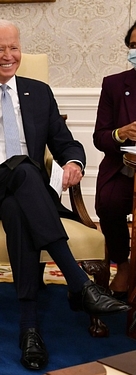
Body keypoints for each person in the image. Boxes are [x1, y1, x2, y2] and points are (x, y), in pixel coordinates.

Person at [0, 19, 130, 371]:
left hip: (24, 196)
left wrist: (74, 162)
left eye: (14, 47)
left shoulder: (39, 92)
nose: (8, 55)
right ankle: (79, 284)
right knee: (23, 167)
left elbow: (67, 143)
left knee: (19, 205)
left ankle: (29, 330)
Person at [93, 21, 136, 301]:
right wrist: (121, 134)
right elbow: (100, 136)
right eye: (133, 46)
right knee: (109, 202)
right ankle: (123, 265)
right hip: (126, 167)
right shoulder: (115, 84)